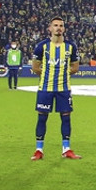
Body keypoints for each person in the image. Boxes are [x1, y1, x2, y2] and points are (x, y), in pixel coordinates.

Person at [30, 17, 80, 160]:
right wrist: (47, 74)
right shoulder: (42, 46)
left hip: (63, 89)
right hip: (45, 88)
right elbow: (35, 67)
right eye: (55, 25)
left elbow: (75, 67)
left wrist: (62, 74)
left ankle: (67, 149)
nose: (58, 28)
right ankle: (39, 150)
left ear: (64, 29)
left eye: (61, 26)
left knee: (66, 118)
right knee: (42, 118)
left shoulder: (71, 47)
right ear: (50, 28)